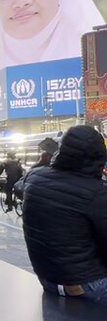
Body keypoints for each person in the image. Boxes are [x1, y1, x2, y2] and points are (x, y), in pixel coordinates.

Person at [23, 125, 107, 302]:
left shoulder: (35, 178)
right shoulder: (96, 193)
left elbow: (18, 187)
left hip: (48, 280)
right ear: (97, 157)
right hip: (87, 285)